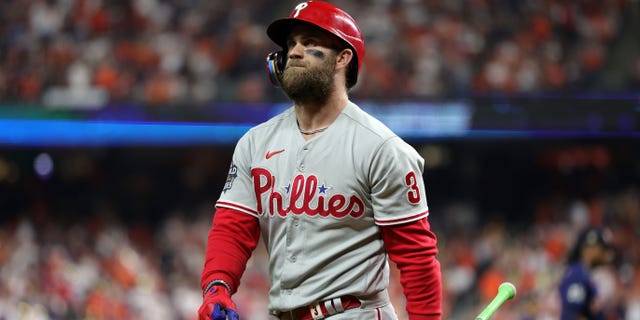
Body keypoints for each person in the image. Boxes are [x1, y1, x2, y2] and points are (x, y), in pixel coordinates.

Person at [198, 1, 442, 319]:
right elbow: (233, 227)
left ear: (343, 58)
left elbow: (416, 258)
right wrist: (217, 286)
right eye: (291, 44)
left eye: (310, 43)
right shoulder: (255, 143)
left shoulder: (382, 148)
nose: (295, 52)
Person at [558, 226, 614, 320]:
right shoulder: (576, 273)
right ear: (590, 250)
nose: (605, 254)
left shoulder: (584, 273)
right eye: (602, 249)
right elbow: (571, 312)